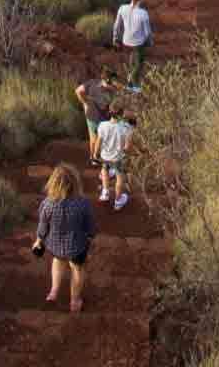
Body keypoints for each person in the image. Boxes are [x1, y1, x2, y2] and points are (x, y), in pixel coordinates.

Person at [32, 164, 96, 312]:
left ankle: (53, 291)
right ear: (75, 183)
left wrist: (38, 241)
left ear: (53, 182)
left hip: (55, 245)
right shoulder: (83, 204)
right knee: (77, 270)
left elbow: (42, 228)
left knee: (57, 261)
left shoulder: (47, 204)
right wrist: (90, 239)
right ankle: (74, 301)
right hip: (77, 247)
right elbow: (90, 228)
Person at [75, 68, 121, 169]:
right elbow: (78, 91)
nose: (114, 85)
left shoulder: (112, 88)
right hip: (93, 117)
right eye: (112, 83)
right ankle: (93, 158)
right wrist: (85, 102)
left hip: (106, 117)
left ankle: (101, 157)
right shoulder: (92, 84)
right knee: (94, 138)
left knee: (105, 138)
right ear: (105, 81)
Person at [110, 0, 152, 90]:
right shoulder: (143, 13)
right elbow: (147, 33)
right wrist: (149, 42)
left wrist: (115, 38)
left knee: (132, 61)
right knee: (139, 65)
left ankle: (130, 80)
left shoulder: (122, 8)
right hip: (138, 44)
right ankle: (134, 87)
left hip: (125, 41)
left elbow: (116, 25)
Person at [96, 111, 135, 210]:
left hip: (105, 156)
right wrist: (126, 155)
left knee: (104, 171)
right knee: (119, 177)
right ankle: (118, 201)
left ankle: (105, 193)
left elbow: (98, 142)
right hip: (118, 158)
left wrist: (96, 154)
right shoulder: (126, 127)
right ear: (122, 114)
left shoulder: (102, 125)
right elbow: (127, 147)